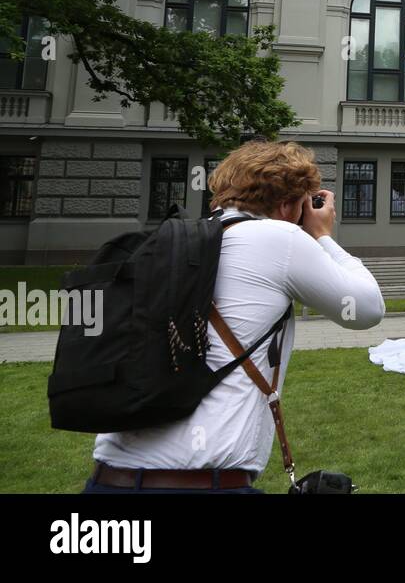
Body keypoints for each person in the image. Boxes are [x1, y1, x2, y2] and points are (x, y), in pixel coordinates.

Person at [84, 141, 385, 494]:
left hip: (109, 479)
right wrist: (321, 234)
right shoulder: (279, 237)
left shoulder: (177, 240)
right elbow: (366, 308)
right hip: (205, 485)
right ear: (289, 205)